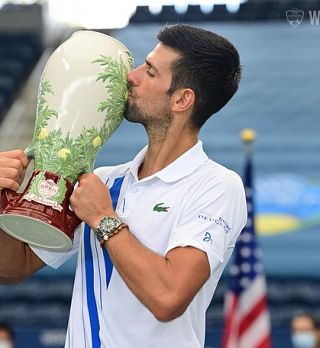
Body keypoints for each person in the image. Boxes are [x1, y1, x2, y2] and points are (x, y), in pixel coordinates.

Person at [0, 24, 247, 347]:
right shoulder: (104, 181)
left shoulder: (217, 185)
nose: (132, 76)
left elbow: (168, 297)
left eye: (151, 72)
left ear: (182, 99)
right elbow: (11, 270)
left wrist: (104, 219)